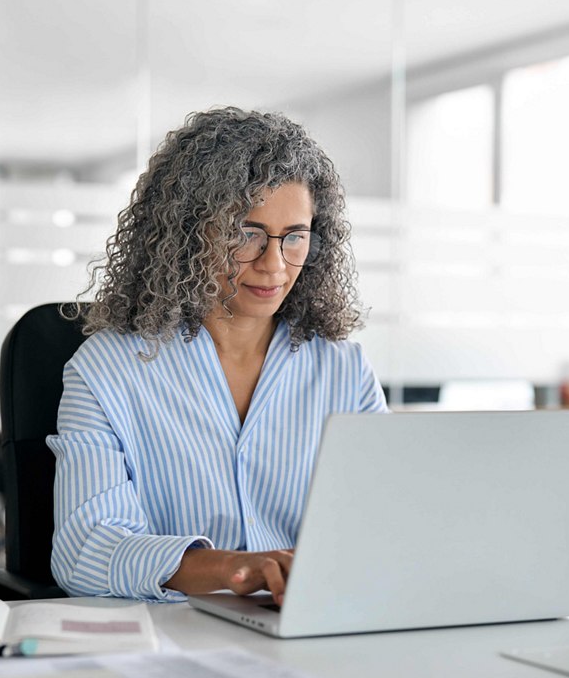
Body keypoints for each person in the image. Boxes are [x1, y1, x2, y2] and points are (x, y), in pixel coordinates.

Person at [48, 107, 389, 603]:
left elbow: (388, 521)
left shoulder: (344, 370)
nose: (274, 263)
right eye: (245, 234)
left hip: (313, 631)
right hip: (171, 641)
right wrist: (234, 569)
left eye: (294, 236)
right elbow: (85, 551)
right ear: (186, 234)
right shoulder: (106, 371)